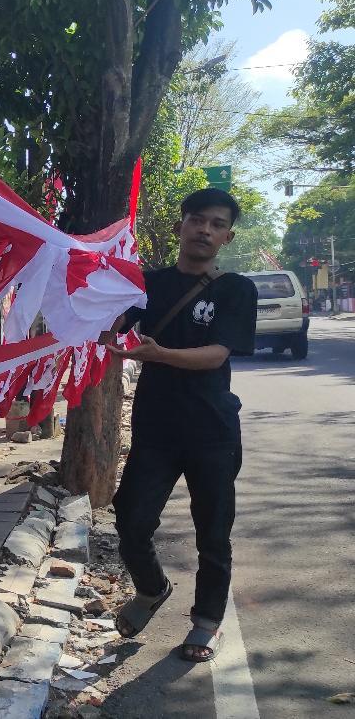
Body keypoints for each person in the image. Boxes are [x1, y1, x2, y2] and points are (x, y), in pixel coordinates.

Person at [103, 188, 257, 663]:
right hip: (157, 429)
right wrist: (104, 325)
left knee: (213, 531)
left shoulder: (236, 290)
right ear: (180, 227)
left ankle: (205, 622)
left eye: (216, 224)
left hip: (212, 431)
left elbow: (216, 356)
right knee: (130, 519)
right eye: (197, 220)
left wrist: (159, 354)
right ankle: (151, 589)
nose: (204, 230)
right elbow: (110, 322)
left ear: (227, 236)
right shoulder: (145, 285)